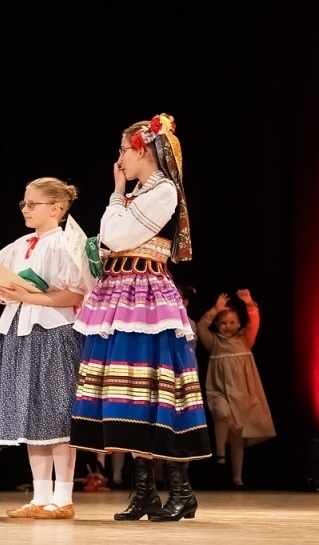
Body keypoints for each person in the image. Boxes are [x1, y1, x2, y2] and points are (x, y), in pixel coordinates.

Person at [71, 114, 210, 520]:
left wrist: (116, 195)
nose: (119, 160)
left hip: (146, 297)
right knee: (126, 390)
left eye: (122, 151)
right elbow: (109, 239)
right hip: (120, 294)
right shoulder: (137, 194)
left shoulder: (164, 190)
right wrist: (119, 195)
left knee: (156, 387)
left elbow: (114, 236)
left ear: (142, 150)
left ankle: (181, 492)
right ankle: (145, 491)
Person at [0, 178, 92, 519]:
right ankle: (40, 497)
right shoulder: (18, 245)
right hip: (18, 329)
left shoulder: (65, 244)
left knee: (57, 413)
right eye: (24, 203)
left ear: (56, 208)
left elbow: (74, 294)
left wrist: (28, 295)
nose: (26, 209)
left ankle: (63, 499)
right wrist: (7, 291)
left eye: (33, 203)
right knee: (33, 413)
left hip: (54, 332)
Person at [196, 290, 272, 489]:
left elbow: (254, 322)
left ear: (238, 324)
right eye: (223, 323)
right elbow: (201, 327)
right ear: (217, 325)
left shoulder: (244, 340)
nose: (228, 326)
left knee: (237, 434)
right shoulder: (214, 343)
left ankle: (237, 478)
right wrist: (215, 309)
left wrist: (249, 304)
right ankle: (220, 454)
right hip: (219, 390)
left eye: (231, 322)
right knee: (222, 412)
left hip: (240, 392)